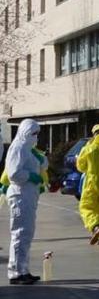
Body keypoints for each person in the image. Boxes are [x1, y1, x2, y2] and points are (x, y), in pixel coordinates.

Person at [3, 120, 47, 285]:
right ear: (24, 132)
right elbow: (14, 173)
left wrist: (40, 158)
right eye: (32, 133)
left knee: (26, 234)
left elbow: (43, 165)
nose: (35, 137)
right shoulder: (18, 148)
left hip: (28, 195)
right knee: (20, 233)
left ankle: (23, 269)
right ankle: (15, 272)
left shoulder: (28, 149)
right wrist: (31, 177)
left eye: (37, 133)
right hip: (19, 195)